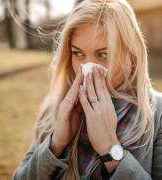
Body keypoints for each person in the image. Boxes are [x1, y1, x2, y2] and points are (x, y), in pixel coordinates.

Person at [12, 0, 162, 179]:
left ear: (132, 55)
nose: (88, 69)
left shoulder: (157, 115)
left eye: (103, 54)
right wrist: (56, 143)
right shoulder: (57, 105)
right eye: (78, 54)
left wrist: (110, 148)